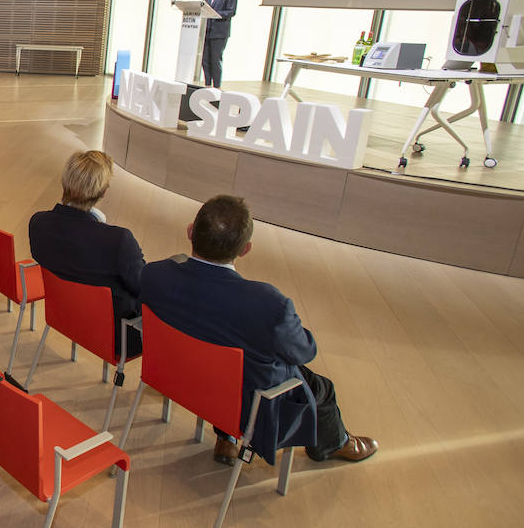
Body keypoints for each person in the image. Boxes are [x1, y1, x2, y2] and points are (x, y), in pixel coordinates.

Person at [139, 195, 377, 466]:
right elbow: (304, 350)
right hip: (244, 406)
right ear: (245, 249)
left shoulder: (155, 275)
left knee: (223, 351)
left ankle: (226, 436)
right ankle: (334, 443)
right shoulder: (268, 305)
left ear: (190, 231)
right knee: (319, 386)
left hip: (179, 380)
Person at [28, 150, 143, 358]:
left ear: (65, 181)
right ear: (103, 191)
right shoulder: (119, 241)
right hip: (116, 336)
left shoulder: (38, 223)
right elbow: (142, 287)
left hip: (63, 317)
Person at [202, 0, 237, 87]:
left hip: (219, 32)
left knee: (215, 59)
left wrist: (217, 14)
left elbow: (231, 11)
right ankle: (207, 84)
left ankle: (216, 85)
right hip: (207, 31)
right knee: (205, 59)